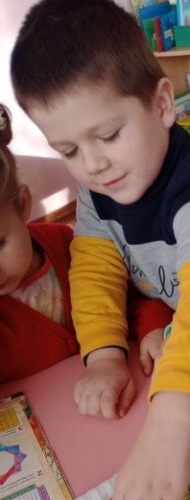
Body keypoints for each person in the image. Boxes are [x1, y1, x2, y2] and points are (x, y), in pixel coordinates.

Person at [10, 0, 190, 500]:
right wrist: (103, 354)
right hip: (179, 351)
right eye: (69, 151)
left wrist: (171, 417)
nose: (93, 165)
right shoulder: (100, 193)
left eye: (107, 136)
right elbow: (95, 270)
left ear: (163, 105)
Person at [0, 102, 172, 383]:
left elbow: (134, 293)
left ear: (22, 204)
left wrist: (153, 327)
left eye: (0, 244)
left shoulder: (70, 244)